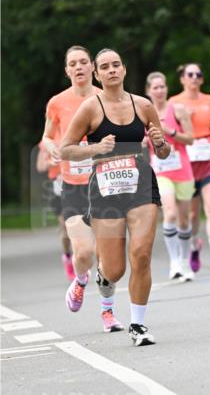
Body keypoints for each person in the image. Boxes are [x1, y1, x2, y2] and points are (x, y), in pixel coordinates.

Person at [60, 48, 171, 347]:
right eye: (105, 67)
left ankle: (138, 324)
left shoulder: (144, 105)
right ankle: (101, 278)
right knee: (115, 269)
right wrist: (96, 149)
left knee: (142, 254)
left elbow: (163, 151)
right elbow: (65, 149)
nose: (111, 70)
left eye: (116, 65)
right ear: (97, 74)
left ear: (124, 70)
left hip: (140, 182)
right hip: (106, 188)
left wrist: (160, 144)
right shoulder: (90, 108)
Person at [41, 45, 121, 331]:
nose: (78, 67)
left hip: (105, 183)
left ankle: (107, 312)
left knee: (107, 256)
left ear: (92, 68)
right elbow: (48, 137)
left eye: (83, 62)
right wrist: (52, 149)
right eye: (72, 63)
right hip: (73, 186)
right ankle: (80, 279)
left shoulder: (107, 98)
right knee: (85, 252)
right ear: (67, 70)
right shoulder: (57, 103)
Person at [169, 63, 210, 272]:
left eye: (198, 74)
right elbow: (168, 130)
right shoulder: (174, 102)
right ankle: (195, 244)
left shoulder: (209, 100)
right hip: (186, 159)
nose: (194, 77)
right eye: (190, 74)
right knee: (192, 215)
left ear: (202, 80)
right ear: (183, 79)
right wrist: (182, 118)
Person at [145, 71, 196, 281]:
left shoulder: (178, 110)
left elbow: (191, 139)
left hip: (182, 169)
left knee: (184, 219)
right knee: (171, 213)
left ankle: (185, 260)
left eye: (162, 86)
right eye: (155, 87)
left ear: (166, 88)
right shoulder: (144, 113)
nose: (159, 91)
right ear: (148, 91)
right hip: (160, 170)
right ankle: (174, 261)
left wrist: (170, 132)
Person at [35, 141, 73, 280]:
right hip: (57, 188)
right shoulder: (47, 141)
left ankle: (79, 257)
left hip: (75, 184)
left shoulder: (76, 130)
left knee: (80, 223)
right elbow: (40, 166)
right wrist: (53, 161)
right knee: (65, 226)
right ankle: (68, 257)